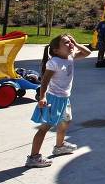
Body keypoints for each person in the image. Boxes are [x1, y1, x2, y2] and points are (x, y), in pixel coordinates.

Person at [26, 34, 91, 168]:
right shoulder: (54, 62)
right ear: (56, 50)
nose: (70, 44)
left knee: (65, 121)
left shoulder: (70, 57)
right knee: (44, 128)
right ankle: (33, 157)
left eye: (70, 41)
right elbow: (45, 81)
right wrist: (42, 96)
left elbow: (87, 52)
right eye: (66, 43)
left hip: (64, 98)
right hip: (53, 99)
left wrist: (76, 43)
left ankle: (59, 147)